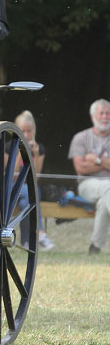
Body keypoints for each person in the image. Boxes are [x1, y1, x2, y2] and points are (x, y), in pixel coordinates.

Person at [69, 99, 110, 255]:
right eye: (102, 113)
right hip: (87, 185)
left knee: (104, 204)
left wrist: (97, 160)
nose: (105, 116)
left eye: (108, 113)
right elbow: (80, 168)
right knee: (108, 187)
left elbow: (88, 165)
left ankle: (95, 248)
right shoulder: (81, 138)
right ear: (93, 116)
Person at [14, 110, 54, 250]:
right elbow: (12, 175)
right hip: (13, 188)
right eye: (22, 131)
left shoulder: (39, 149)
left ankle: (26, 242)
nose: (26, 135)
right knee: (29, 191)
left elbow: (36, 176)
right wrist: (20, 153)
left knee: (27, 200)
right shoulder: (9, 148)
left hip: (30, 188)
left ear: (33, 131)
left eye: (29, 131)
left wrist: (35, 154)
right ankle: (40, 233)